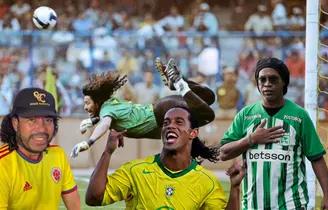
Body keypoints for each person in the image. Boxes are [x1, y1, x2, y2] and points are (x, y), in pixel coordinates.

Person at [219, 58, 328, 210]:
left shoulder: (299, 116)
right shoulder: (245, 115)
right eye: (262, 79)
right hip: (253, 205)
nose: (267, 84)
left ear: (284, 82)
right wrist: (251, 139)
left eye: (273, 79)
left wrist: (327, 196)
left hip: (292, 204)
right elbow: (223, 153)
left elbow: (317, 158)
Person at [85, 106, 244, 209]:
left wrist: (235, 188)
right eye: (166, 123)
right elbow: (93, 198)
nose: (170, 126)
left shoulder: (207, 182)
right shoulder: (136, 171)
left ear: (193, 133)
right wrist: (108, 152)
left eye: (179, 122)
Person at [70, 58, 216, 158]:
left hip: (161, 114)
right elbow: (107, 120)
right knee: (209, 97)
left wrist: (88, 142)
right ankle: (177, 84)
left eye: (87, 103)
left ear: (97, 102)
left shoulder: (106, 112)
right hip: (162, 108)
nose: (85, 107)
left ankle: (179, 84)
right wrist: (92, 121)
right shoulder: (110, 104)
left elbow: (105, 123)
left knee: (208, 115)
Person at [0, 87, 80, 210]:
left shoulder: (58, 155)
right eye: (31, 120)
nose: (41, 128)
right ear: (15, 123)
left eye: (48, 120)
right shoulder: (3, 165)